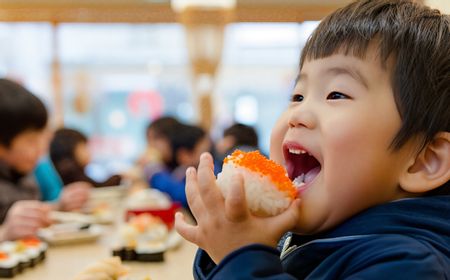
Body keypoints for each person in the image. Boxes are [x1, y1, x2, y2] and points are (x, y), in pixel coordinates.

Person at [174, 0, 450, 278]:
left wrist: (240, 258)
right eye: (298, 96)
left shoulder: (409, 266)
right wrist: (230, 248)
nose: (297, 114)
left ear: (425, 162)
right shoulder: (303, 236)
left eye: (337, 94)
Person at [0, 78, 90, 241]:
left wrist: (59, 207)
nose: (41, 150)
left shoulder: (24, 174)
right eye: (31, 141)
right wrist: (4, 233)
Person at [145, 123, 211, 208]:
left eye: (155, 139)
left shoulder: (209, 169)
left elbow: (182, 195)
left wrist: (155, 171)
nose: (151, 145)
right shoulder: (180, 169)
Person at [49, 128, 122, 188]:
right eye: (83, 147)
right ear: (71, 150)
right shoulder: (72, 174)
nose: (88, 152)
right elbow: (99, 187)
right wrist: (120, 176)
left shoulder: (75, 172)